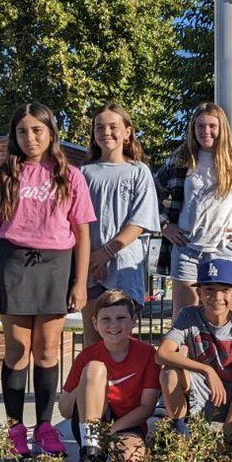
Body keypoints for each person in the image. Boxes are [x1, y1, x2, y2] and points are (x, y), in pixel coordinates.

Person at [0, 103, 95, 458]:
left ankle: (44, 428)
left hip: (57, 264)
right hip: (14, 264)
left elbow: (83, 233)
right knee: (17, 349)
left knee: (46, 350)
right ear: (14, 137)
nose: (30, 138)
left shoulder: (70, 175)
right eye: (22, 132)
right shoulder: (2, 177)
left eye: (37, 130)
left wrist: (80, 282)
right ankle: (15, 429)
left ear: (51, 132)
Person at [154, 102, 232, 315]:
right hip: (187, 245)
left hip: (225, 246)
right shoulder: (180, 160)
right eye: (200, 126)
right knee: (185, 316)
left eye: (212, 126)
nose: (206, 131)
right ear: (193, 129)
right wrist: (164, 225)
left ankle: (227, 349)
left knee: (226, 313)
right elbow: (152, 192)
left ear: (221, 128)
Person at [155, 258, 232, 438]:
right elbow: (162, 354)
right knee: (169, 373)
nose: (217, 297)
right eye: (209, 290)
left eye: (225, 290)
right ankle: (180, 431)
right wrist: (207, 370)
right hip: (202, 388)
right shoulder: (188, 315)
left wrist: (228, 431)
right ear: (199, 292)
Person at [81, 103, 160, 346]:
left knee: (121, 341)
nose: (106, 132)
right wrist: (91, 260)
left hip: (124, 269)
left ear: (127, 132)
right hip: (90, 271)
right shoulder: (83, 172)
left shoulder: (139, 171)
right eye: (99, 127)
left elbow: (139, 222)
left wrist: (106, 253)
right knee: (93, 342)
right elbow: (77, 221)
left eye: (113, 127)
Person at [59, 291, 160, 462]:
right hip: (90, 426)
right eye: (106, 319)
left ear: (134, 321)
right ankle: (91, 452)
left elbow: (147, 408)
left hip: (127, 423)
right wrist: (86, 383)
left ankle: (107, 451)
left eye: (121, 317)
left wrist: (110, 431)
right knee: (95, 368)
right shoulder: (87, 356)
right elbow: (65, 410)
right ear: (95, 324)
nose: (113, 325)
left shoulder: (147, 354)